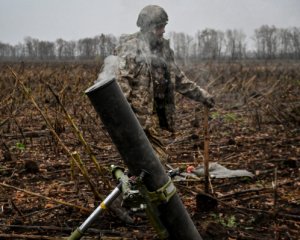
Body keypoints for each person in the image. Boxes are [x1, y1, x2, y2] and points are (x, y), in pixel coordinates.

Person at [114, 5, 215, 166]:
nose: (163, 31)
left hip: (152, 115)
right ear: (148, 28)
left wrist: (202, 96)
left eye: (164, 26)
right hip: (134, 117)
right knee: (145, 162)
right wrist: (123, 119)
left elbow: (179, 79)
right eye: (159, 27)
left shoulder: (164, 51)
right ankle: (141, 187)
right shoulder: (131, 47)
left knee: (155, 161)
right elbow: (121, 83)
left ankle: (145, 187)